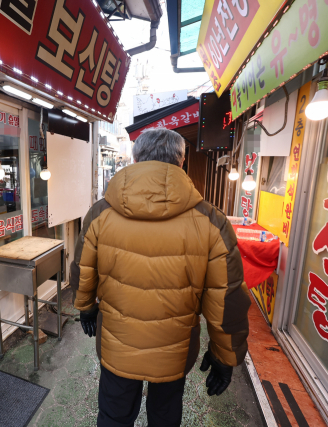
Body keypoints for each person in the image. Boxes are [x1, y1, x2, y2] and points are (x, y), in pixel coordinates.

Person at [69, 128, 250, 427]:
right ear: (181, 162)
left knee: (114, 416)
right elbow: (226, 298)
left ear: (136, 158)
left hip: (118, 343)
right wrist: (224, 356)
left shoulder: (101, 213)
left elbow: (83, 269)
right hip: (174, 349)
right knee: (165, 416)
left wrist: (86, 306)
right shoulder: (212, 222)